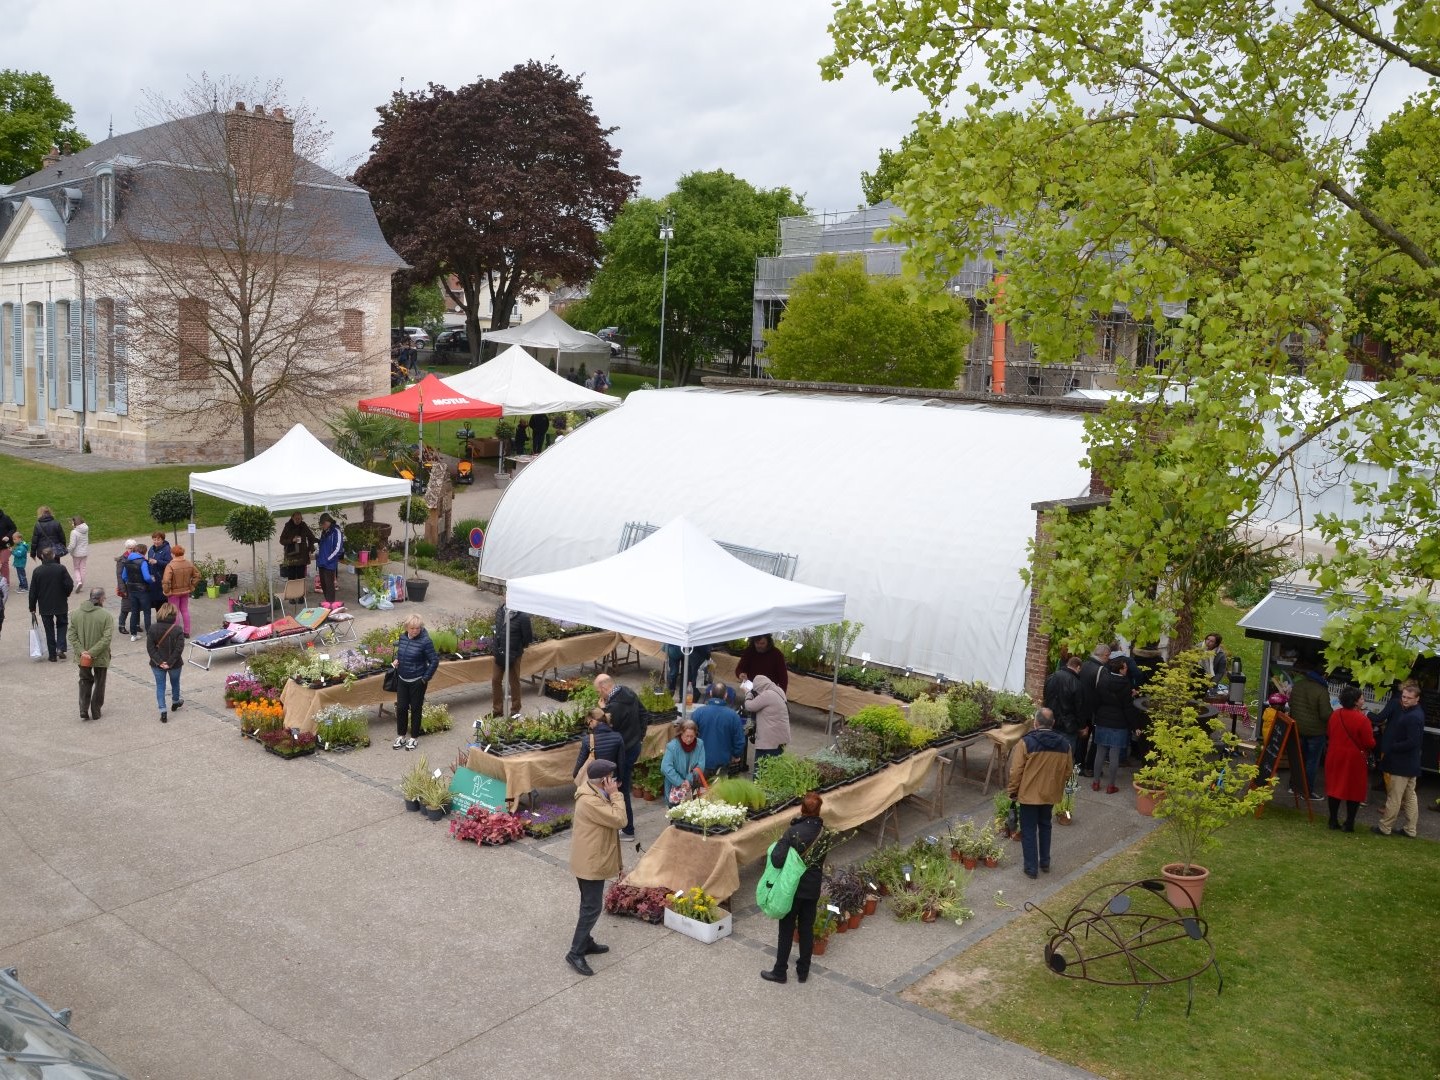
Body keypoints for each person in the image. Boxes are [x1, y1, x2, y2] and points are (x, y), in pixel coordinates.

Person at [566, 759, 626, 976]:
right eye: (612, 777)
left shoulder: (593, 792)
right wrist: (617, 795)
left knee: (587, 904)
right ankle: (575, 952)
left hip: (589, 858)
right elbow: (620, 819)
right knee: (592, 907)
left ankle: (587, 941)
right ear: (604, 780)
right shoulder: (590, 802)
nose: (615, 781)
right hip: (590, 861)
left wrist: (610, 794)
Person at [761, 791, 826, 985]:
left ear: (802, 809)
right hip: (812, 888)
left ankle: (780, 971)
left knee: (787, 929)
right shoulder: (826, 833)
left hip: (793, 888)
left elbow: (777, 860)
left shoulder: (793, 832)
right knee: (807, 929)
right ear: (819, 809)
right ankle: (803, 971)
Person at [1008, 707, 1074, 879]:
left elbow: (1016, 771)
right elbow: (1068, 771)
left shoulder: (1026, 743)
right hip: (1050, 794)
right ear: (1053, 723)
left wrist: (1013, 791)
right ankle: (1045, 862)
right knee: (1046, 825)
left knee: (1029, 830)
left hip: (1029, 795)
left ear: (1036, 723)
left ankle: (1031, 868)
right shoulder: (1064, 744)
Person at [595, 673, 644, 842]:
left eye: (598, 691)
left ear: (603, 688)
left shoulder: (612, 707)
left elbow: (601, 728)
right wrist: (639, 737)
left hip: (620, 752)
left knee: (618, 788)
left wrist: (601, 710)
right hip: (633, 747)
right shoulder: (629, 692)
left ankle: (627, 828)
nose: (598, 695)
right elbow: (645, 714)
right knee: (620, 786)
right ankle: (621, 824)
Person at [1372, 680, 1423, 839]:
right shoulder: (1414, 712)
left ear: (1417, 699)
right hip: (1410, 763)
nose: (1405, 699)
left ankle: (1385, 827)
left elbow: (1412, 742)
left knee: (1395, 797)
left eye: (1409, 697)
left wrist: (1392, 747)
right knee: (1409, 797)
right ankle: (1410, 829)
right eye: (1404, 696)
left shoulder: (1413, 716)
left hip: (1402, 764)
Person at [1325, 686, 1374, 832]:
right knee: (1354, 790)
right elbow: (1369, 742)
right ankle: (1349, 823)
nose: (1363, 700)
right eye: (1361, 698)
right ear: (1355, 702)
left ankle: (1332, 820)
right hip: (1354, 758)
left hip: (1334, 754)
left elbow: (1329, 732)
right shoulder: (1362, 719)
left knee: (1334, 787)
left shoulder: (1335, 715)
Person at [391, 614, 440, 750]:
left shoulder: (425, 641)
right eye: (412, 628)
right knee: (401, 708)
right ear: (406, 627)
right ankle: (401, 736)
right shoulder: (402, 637)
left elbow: (434, 661)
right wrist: (397, 659)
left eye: (418, 628)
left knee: (416, 709)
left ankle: (414, 738)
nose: (415, 631)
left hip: (417, 681)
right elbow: (402, 652)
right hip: (402, 679)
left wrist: (424, 679)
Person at [1287, 657, 1331, 800]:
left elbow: (1291, 703)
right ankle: (1307, 791)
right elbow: (1325, 714)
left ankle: (1293, 785)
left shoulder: (1298, 685)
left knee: (1298, 759)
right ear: (1324, 675)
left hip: (1298, 729)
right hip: (1315, 732)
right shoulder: (1321, 690)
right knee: (1312, 762)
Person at [67, 587, 113, 722]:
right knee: (100, 682)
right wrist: (92, 653)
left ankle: (83, 708)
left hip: (82, 657)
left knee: (84, 681)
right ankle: (96, 710)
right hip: (100, 656)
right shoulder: (106, 615)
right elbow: (106, 638)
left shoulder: (76, 614)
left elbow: (72, 635)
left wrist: (83, 652)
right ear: (100, 599)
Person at [1091, 656, 1136, 794]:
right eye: (1125, 667)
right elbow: (1128, 708)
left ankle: (1096, 782)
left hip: (1103, 720)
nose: (1127, 669)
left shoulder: (1103, 680)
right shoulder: (1126, 684)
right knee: (1114, 755)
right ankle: (1111, 785)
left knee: (1100, 753)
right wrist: (1134, 724)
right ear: (1121, 669)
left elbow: (1096, 700)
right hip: (1119, 723)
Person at [28, 547, 74, 662]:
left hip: (45, 604)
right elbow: (69, 584)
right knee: (62, 625)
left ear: (42, 557)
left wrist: (32, 607)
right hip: (60, 602)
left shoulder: (37, 571)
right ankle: (61, 647)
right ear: (53, 555)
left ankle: (52, 655)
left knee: (49, 629)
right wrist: (66, 594)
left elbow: (33, 591)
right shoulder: (61, 568)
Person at [692, 683, 747, 776]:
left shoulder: (698, 713)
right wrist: (736, 755)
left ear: (710, 693)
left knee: (699, 790)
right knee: (719, 790)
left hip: (700, 762)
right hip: (723, 762)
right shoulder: (733, 716)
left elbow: (689, 736)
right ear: (725, 695)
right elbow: (740, 741)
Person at [489, 603, 534, 715]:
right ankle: (497, 710)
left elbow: (527, 638)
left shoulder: (523, 616)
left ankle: (515, 710)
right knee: (495, 680)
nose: (506, 596)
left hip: (513, 655)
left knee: (514, 682)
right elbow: (498, 629)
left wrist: (516, 648)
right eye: (505, 593)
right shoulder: (500, 610)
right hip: (499, 653)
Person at [146, 602, 186, 723]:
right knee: (175, 682)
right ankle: (175, 701)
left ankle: (163, 711)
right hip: (175, 664)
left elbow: (150, 648)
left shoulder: (152, 628)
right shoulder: (178, 629)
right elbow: (179, 649)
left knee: (160, 686)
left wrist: (159, 662)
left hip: (157, 664)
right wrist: (170, 662)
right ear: (174, 615)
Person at [1076, 643, 1111, 775]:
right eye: (1108, 656)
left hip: (1081, 709)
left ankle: (1078, 766)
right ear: (1105, 655)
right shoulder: (1102, 670)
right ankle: (1091, 767)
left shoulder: (1083, 665)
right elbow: (1104, 693)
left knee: (1082, 739)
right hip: (1095, 712)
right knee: (1096, 741)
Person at [744, 673, 790, 770]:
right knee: (773, 769)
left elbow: (749, 706)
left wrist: (748, 694)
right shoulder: (779, 691)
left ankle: (758, 785)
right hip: (781, 738)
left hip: (769, 741)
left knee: (760, 770)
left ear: (759, 687)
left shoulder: (767, 694)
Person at [1043, 654, 1084, 754]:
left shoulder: (1051, 677)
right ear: (1078, 667)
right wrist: (1081, 726)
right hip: (1068, 727)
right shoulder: (1077, 683)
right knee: (1066, 757)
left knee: (1049, 755)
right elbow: (1079, 707)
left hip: (1050, 722)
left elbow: (1045, 696)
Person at [661, 719, 706, 804]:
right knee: (675, 812)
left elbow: (700, 765)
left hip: (692, 786)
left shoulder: (699, 744)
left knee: (692, 810)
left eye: (692, 736)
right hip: (674, 787)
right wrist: (680, 782)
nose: (689, 739)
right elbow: (665, 767)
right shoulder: (672, 746)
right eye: (686, 736)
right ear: (681, 733)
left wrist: (689, 780)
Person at [573, 707, 625, 780]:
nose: (589, 726)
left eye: (588, 723)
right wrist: (620, 779)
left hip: (595, 779)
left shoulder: (587, 740)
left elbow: (580, 761)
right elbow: (621, 761)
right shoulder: (618, 737)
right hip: (611, 777)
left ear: (593, 721)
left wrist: (575, 775)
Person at [161, 544, 200, 636]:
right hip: (185, 591)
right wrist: (192, 585)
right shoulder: (189, 563)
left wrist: (167, 591)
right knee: (185, 610)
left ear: (173, 554)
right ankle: (187, 632)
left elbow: (166, 580)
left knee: (175, 612)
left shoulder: (170, 565)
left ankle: (175, 632)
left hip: (174, 592)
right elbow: (197, 575)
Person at [121, 541, 154, 640]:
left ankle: (133, 635)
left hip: (132, 590)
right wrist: (152, 580)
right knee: (147, 612)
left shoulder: (127, 561)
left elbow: (124, 576)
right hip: (143, 590)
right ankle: (149, 634)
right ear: (143, 552)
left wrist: (130, 583)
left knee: (134, 611)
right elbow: (147, 577)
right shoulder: (143, 562)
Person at [279, 513, 317, 585]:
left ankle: (300, 594)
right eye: (296, 519)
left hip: (302, 554)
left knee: (301, 576)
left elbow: (311, 537)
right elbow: (281, 540)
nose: (298, 520)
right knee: (291, 576)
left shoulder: (303, 525)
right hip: (291, 554)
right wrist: (292, 540)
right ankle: (292, 593)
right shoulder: (288, 526)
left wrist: (310, 549)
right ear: (292, 518)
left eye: (299, 518)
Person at [315, 514, 343, 607]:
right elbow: (322, 545)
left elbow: (338, 548)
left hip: (329, 563)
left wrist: (328, 559)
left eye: (323, 524)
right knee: (323, 585)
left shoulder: (336, 531)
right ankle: (328, 603)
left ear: (327, 522)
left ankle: (331, 605)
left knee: (329, 585)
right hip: (321, 562)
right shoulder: (324, 531)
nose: (322, 526)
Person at [145, 532, 173, 612]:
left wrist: (157, 562)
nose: (156, 541)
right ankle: (160, 620)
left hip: (162, 579)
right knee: (156, 602)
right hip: (154, 580)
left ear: (162, 539)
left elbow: (170, 563)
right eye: (154, 539)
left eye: (158, 539)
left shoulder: (167, 549)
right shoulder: (151, 549)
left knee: (163, 601)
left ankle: (165, 620)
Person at [67, 515, 89, 593]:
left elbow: (72, 545)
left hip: (76, 553)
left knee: (76, 568)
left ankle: (79, 581)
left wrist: (68, 550)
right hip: (85, 552)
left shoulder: (74, 532)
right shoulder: (86, 529)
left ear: (75, 523)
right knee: (82, 568)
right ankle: (81, 584)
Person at [0, 505, 15, 584]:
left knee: (3, 562)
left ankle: (5, 583)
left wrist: (8, 536)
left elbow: (13, 528)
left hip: (6, 545)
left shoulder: (6, 518)